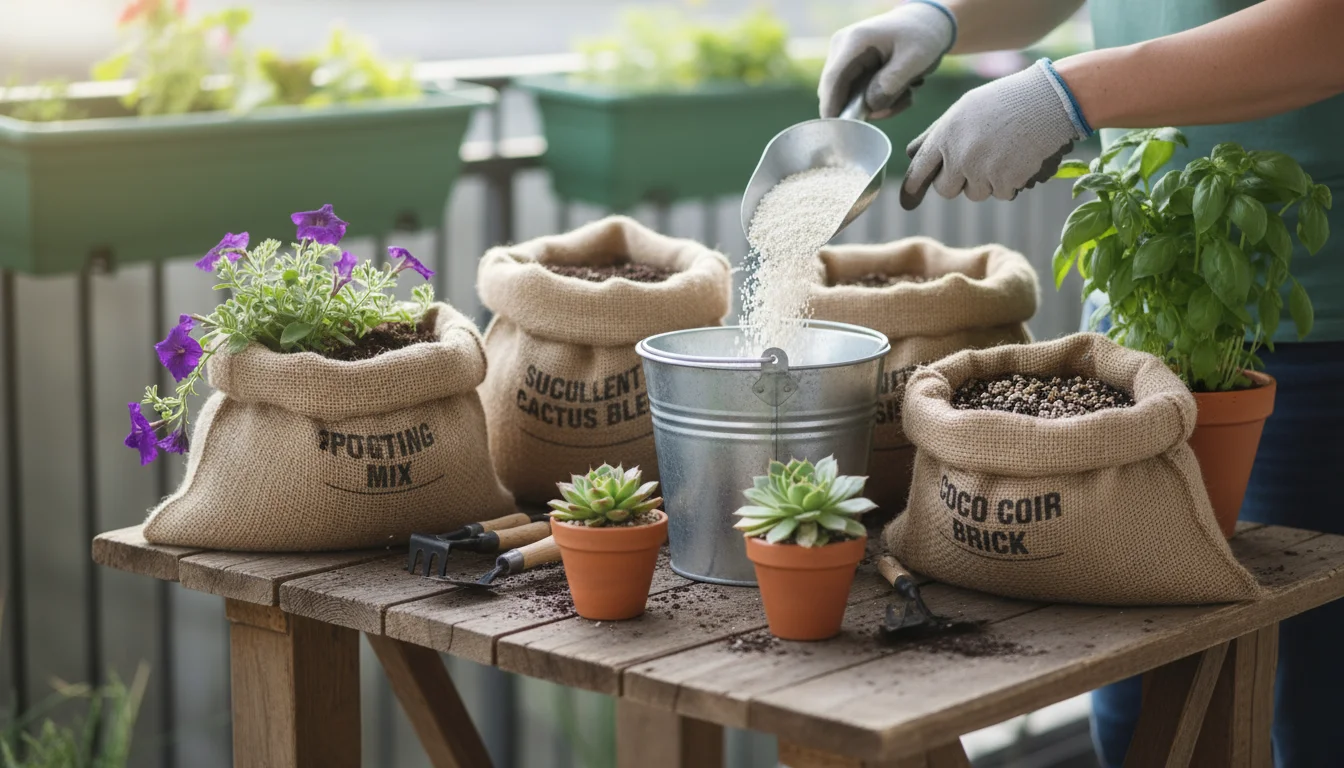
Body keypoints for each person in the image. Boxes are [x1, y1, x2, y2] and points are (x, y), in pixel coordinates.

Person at [818, 2, 1344, 766]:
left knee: (1314, 704)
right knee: (1138, 707)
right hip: (1147, 327)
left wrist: (1067, 94)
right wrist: (945, 18)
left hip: (1316, 334)